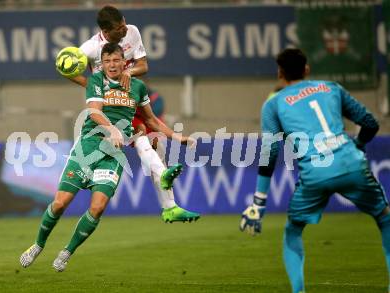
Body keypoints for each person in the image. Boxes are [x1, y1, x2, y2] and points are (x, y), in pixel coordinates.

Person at [20, 43, 197, 272]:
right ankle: (38, 244)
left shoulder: (138, 87)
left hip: (112, 155)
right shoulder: (96, 81)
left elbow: (151, 120)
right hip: (88, 147)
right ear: (101, 63)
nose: (112, 65)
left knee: (98, 207)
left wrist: (176, 136)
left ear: (125, 62)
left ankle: (67, 251)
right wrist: (112, 129)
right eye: (107, 61)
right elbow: (94, 110)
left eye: (116, 60)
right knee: (60, 203)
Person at [239, 48, 390, 293]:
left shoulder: (274, 104)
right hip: (351, 162)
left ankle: (299, 291)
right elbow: (371, 123)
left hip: (315, 172)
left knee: (293, 230)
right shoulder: (332, 88)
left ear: (279, 73)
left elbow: (270, 153)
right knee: (385, 218)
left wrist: (259, 202)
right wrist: (358, 145)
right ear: (307, 69)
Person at [69, 5, 199, 222]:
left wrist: (127, 72)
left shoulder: (132, 31)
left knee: (153, 142)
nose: (124, 29)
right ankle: (168, 202)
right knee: (141, 136)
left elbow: (143, 65)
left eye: (124, 23)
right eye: (119, 28)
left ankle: (170, 205)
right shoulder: (90, 48)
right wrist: (93, 87)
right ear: (107, 32)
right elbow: (66, 69)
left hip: (130, 98)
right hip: (110, 107)